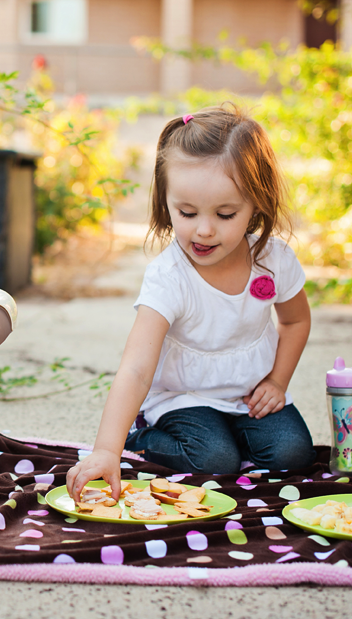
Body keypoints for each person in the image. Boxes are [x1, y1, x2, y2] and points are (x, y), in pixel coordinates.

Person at [67, 105, 315, 501]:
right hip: (184, 397)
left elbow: (296, 321)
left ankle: (234, 437)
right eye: (186, 212)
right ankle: (143, 436)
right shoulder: (170, 278)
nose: (203, 229)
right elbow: (135, 367)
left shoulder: (273, 261)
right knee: (215, 461)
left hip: (248, 394)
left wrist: (276, 381)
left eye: (225, 213)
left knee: (294, 453)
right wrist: (106, 450)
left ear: (256, 205)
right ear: (165, 201)